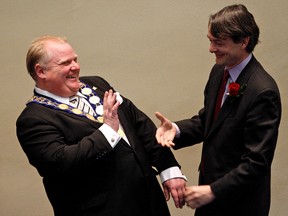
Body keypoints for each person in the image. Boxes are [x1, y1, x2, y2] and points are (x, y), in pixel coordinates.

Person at [16, 35, 187, 216]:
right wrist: (107, 131)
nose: (75, 66)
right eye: (65, 63)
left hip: (149, 200)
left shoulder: (97, 84)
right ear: (41, 71)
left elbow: (138, 123)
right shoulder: (32, 120)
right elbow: (61, 162)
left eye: (75, 59)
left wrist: (168, 168)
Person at [155, 4, 281, 216]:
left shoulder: (263, 92)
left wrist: (214, 191)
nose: (211, 48)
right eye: (210, 40)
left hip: (240, 204)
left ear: (243, 41)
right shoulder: (219, 71)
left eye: (218, 42)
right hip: (209, 198)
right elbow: (209, 122)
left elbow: (256, 163)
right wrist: (175, 130)